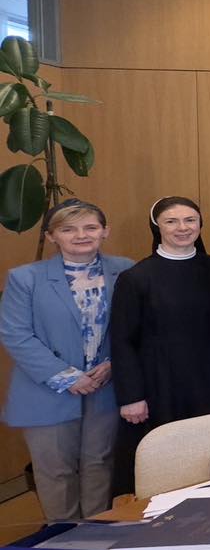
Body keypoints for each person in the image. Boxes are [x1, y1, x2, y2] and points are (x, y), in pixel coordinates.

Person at [1, 200, 132, 520]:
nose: (81, 235)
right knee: (56, 472)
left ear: (104, 231)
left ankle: (98, 534)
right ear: (51, 236)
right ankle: (63, 540)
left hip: (105, 387)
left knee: (100, 465)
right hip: (47, 390)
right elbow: (15, 334)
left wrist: (115, 363)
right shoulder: (25, 278)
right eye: (68, 229)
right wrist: (68, 377)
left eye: (90, 227)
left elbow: (137, 327)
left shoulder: (126, 270)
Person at [110, 196, 210, 496]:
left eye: (190, 220)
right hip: (161, 385)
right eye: (171, 221)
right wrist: (131, 396)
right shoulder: (135, 278)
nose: (182, 227)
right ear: (157, 227)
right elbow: (123, 340)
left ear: (200, 224)